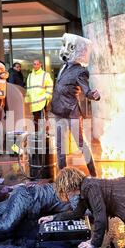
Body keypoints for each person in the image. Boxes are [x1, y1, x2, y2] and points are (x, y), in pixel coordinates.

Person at [50, 33, 100, 177]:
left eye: (71, 47)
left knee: (80, 144)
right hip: (59, 112)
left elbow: (87, 91)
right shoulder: (64, 67)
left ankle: (93, 174)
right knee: (60, 146)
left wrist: (94, 95)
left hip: (71, 113)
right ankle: (62, 176)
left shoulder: (80, 71)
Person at [25, 60, 53, 132]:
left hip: (42, 101)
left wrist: (47, 96)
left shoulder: (45, 74)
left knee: (42, 119)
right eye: (34, 64)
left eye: (37, 64)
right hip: (33, 102)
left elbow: (49, 86)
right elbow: (29, 88)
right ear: (33, 65)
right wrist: (27, 99)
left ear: (40, 65)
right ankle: (37, 134)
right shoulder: (30, 75)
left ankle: (44, 134)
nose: (36, 65)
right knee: (35, 119)